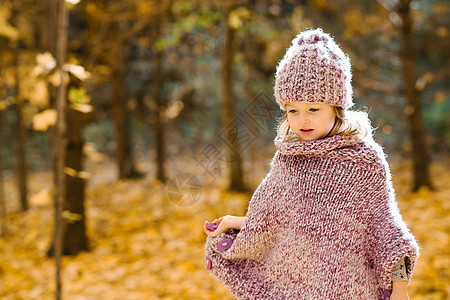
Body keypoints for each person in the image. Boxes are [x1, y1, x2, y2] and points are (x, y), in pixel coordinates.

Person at [203, 28, 419, 300]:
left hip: (350, 287)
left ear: (336, 106)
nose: (302, 120)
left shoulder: (364, 161)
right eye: (292, 110)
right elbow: (282, 221)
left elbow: (386, 229)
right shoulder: (288, 158)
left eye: (313, 109)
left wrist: (400, 289)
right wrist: (239, 223)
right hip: (297, 285)